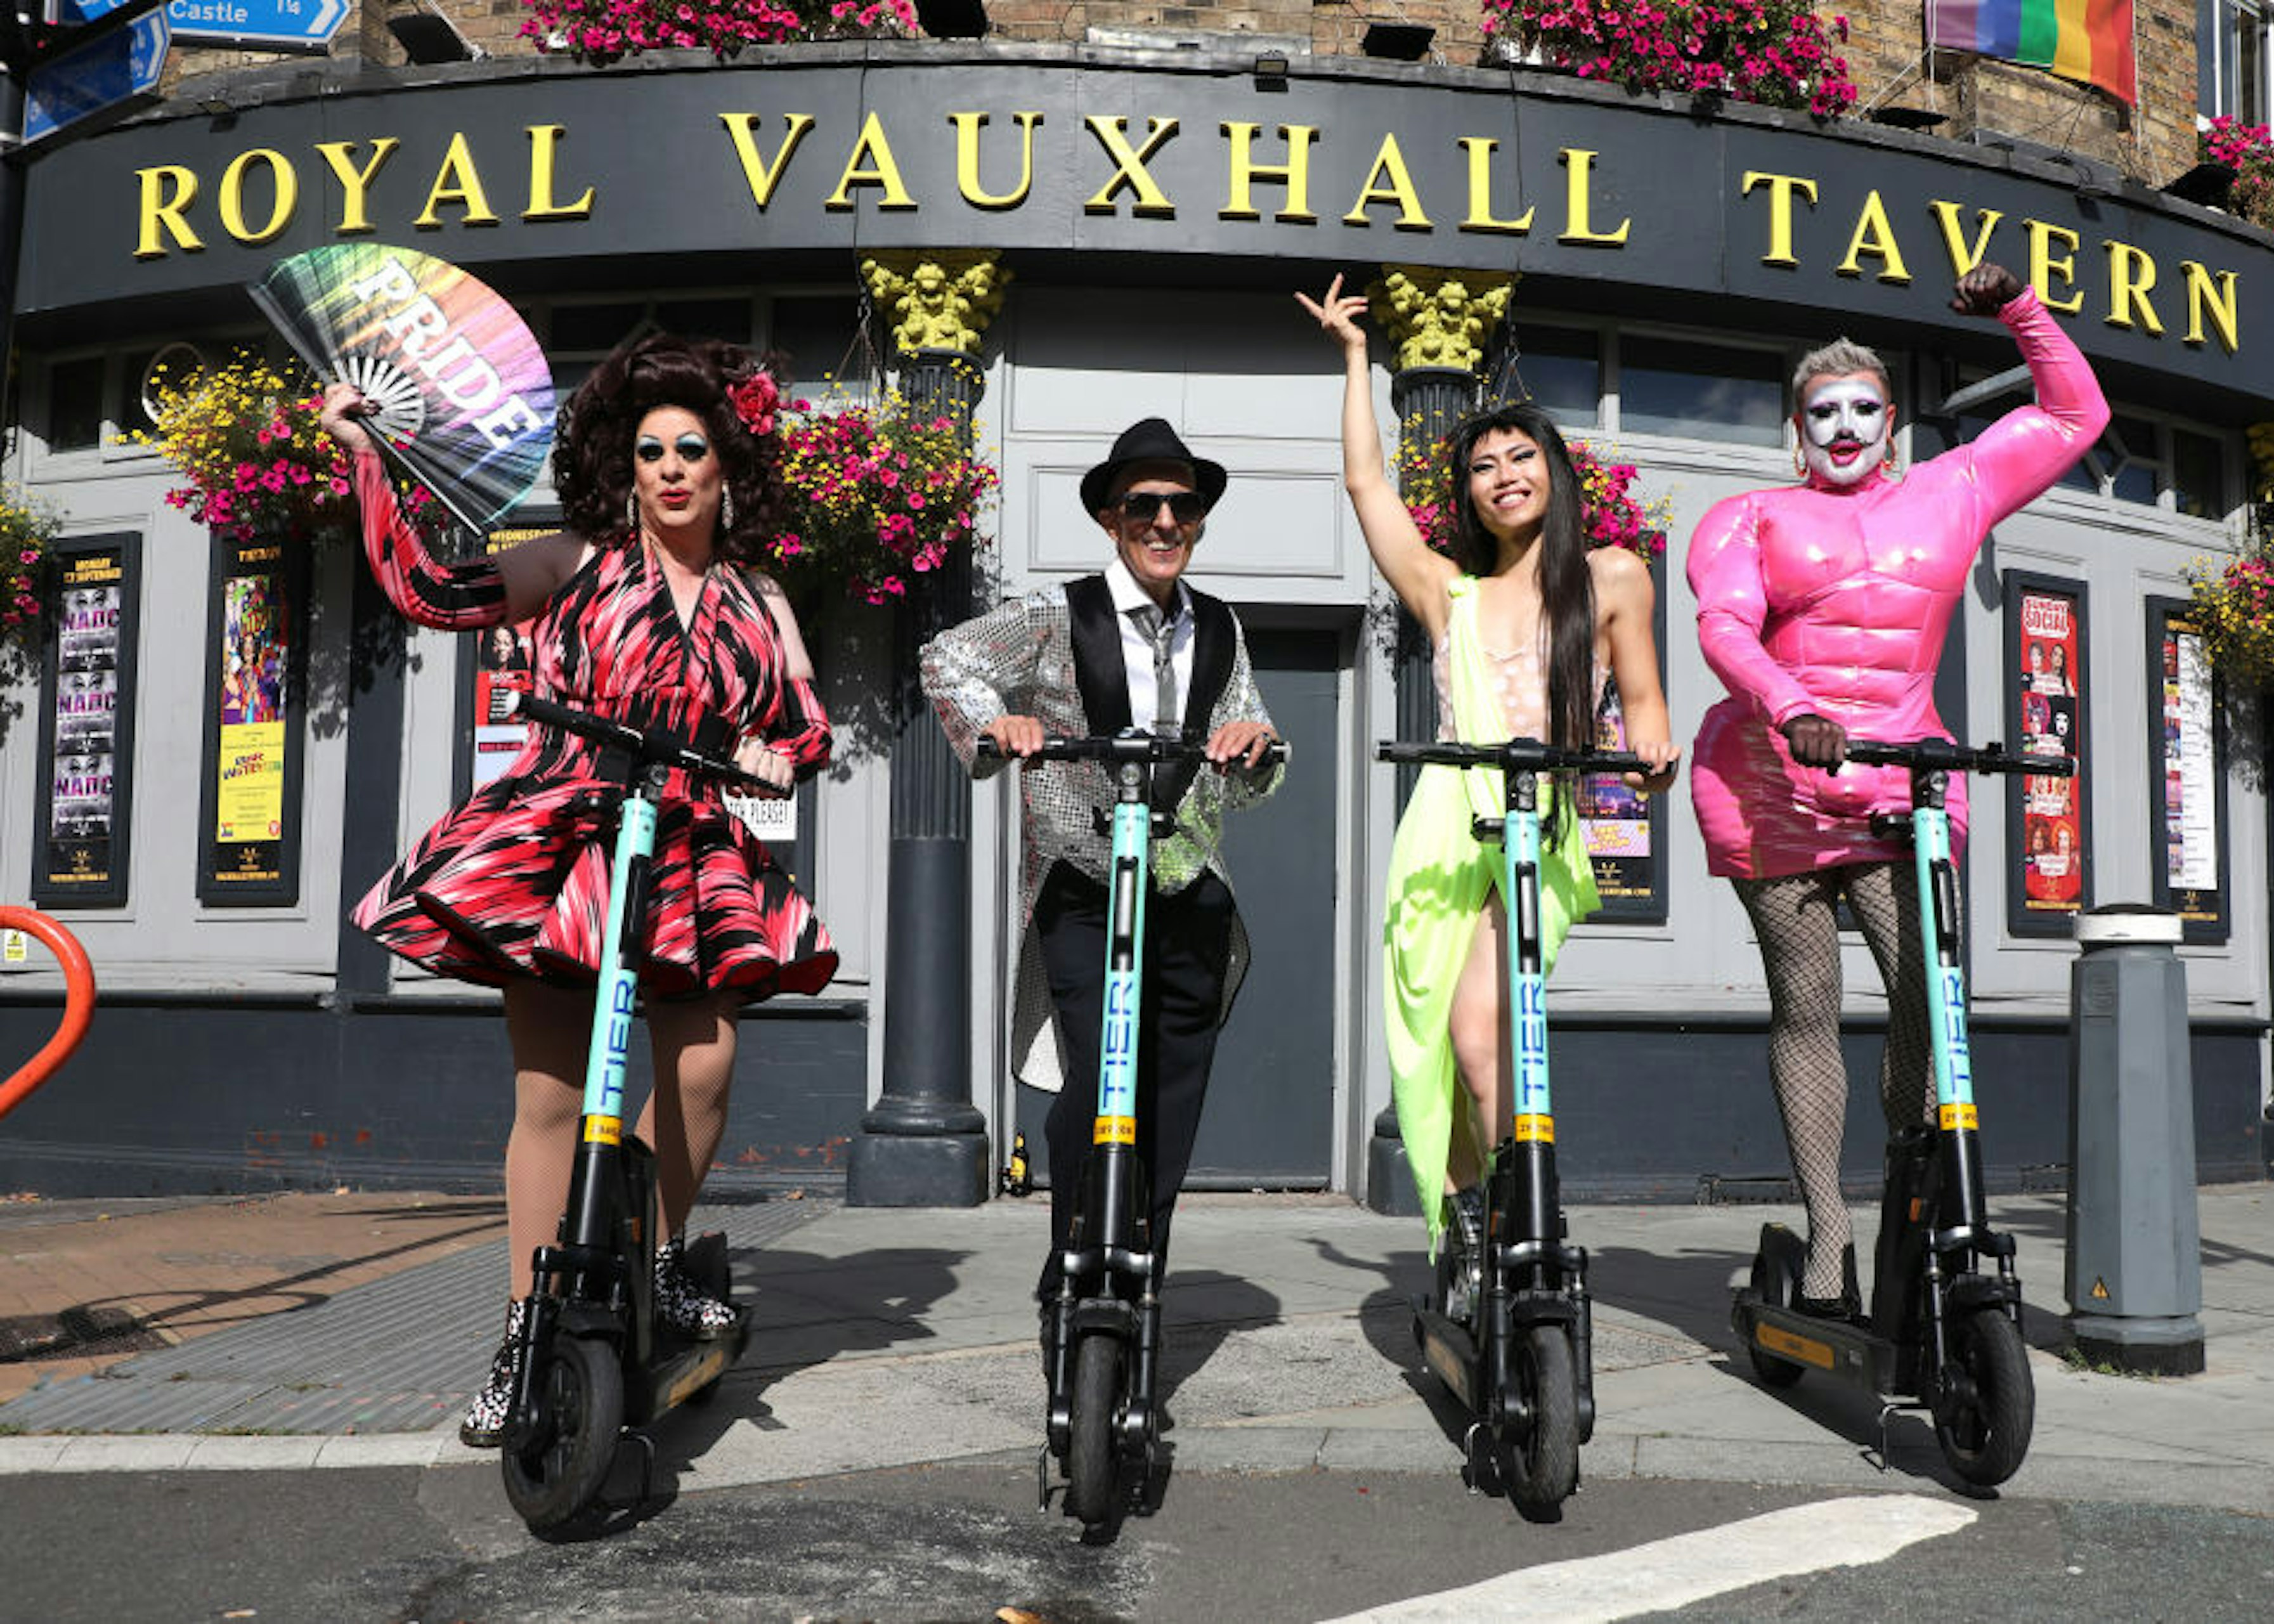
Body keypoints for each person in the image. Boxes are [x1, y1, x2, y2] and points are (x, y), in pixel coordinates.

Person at [321, 334, 838, 1445]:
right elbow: (436, 590)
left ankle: (652, 1254)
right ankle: (523, 1328)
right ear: (626, 464)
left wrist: (778, 752)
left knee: (704, 1065)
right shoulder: (575, 559)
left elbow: (803, 723)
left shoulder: (759, 596)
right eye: (649, 449)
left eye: (690, 447)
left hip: (691, 845)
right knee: (551, 1097)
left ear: (725, 465)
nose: (668, 468)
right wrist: (367, 456)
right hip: (567, 836)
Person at [1684, 262, 2108, 1316]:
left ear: (1892, 423)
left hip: (1902, 777)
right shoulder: (1748, 517)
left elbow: (2076, 410)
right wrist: (1791, 710)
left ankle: (1910, 1198)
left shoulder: (1956, 486)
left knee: (1927, 994)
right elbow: (1725, 624)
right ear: (1796, 431)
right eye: (1820, 412)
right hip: (1773, 777)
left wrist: (2020, 311)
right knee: (1808, 1001)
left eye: (1863, 407)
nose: (1842, 426)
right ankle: (1827, 1228)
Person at [1298, 275, 1678, 1260]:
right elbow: (1366, 490)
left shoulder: (1614, 575)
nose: (1503, 474)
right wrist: (1354, 360)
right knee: (1440, 1043)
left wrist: (1651, 760)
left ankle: (1516, 1212)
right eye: (1482, 466)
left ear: (1554, 469)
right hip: (1444, 825)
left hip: (1539, 822)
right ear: (1466, 491)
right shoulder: (1447, 592)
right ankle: (1476, 1218)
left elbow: (1645, 711)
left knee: (1486, 1041)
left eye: (1521, 456)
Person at [918, 416, 1286, 1342]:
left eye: (1183, 505)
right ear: (1110, 518)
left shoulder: (1222, 627)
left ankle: (1140, 1281)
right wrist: (999, 726)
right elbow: (947, 658)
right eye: (1144, 505)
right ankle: (1078, 1244)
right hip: (1083, 884)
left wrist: (1253, 749)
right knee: (1095, 1081)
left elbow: (1258, 745)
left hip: (1190, 890)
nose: (1165, 521)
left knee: (1171, 1093)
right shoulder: (1054, 615)